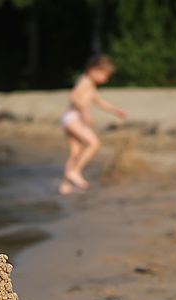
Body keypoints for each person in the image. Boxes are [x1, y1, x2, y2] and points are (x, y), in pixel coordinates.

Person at [59, 54, 127, 195]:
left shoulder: (90, 85)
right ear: (92, 70)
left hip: (69, 118)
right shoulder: (85, 82)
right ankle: (75, 172)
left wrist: (115, 110)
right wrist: (84, 113)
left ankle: (65, 185)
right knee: (94, 143)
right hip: (73, 118)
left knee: (75, 153)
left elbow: (100, 102)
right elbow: (74, 96)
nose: (106, 79)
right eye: (104, 74)